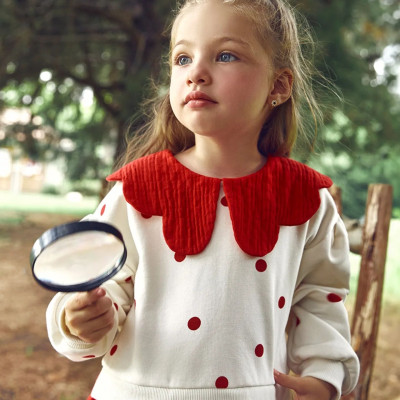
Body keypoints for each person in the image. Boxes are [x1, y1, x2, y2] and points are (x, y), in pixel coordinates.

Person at [46, 0, 360, 399]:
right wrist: (81, 319)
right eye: (182, 58)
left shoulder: (307, 201)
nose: (195, 72)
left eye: (225, 55)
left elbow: (321, 301)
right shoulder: (136, 190)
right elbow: (101, 287)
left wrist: (324, 377)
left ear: (279, 86)